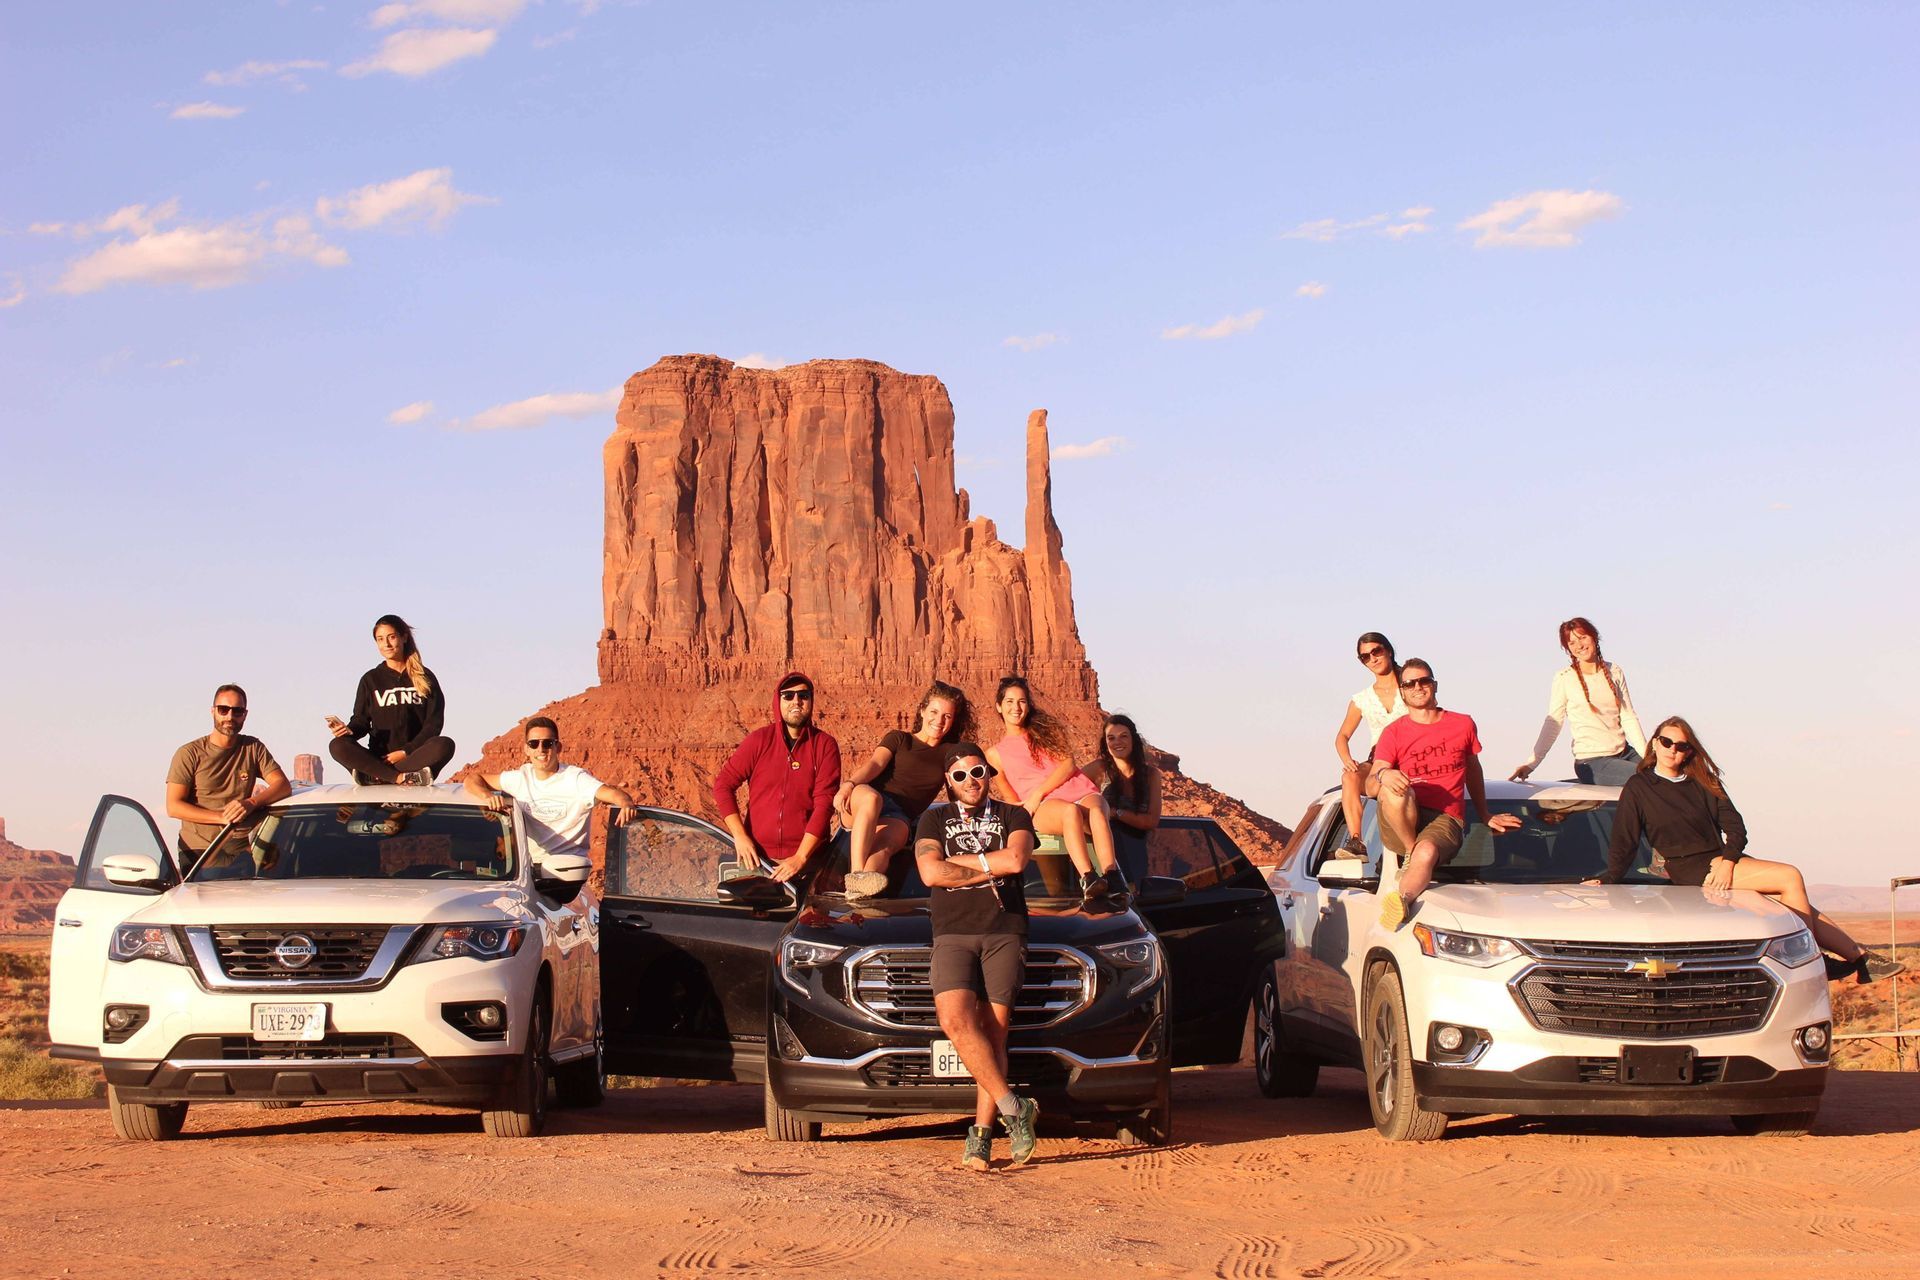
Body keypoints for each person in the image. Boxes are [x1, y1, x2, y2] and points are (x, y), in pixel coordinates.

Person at [1599, 717, 1902, 983]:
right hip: (1690, 868)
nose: (1673, 750)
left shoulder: (1703, 781)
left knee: (1794, 903)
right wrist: (1608, 880)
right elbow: (1624, 841)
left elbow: (1736, 828)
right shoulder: (1639, 787)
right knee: (1790, 877)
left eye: (1682, 745)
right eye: (1666, 742)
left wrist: (1728, 862)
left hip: (1723, 860)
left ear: (1690, 751)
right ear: (1654, 742)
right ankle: (1817, 962)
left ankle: (1861, 959)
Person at [913, 742, 1041, 1171]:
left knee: (994, 1032)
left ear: (988, 773)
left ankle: (981, 1138)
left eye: (978, 771)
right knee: (953, 1019)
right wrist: (991, 865)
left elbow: (1018, 859)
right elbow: (930, 872)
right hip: (952, 932)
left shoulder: (1014, 815)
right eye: (961, 775)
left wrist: (961, 864)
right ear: (948, 781)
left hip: (1004, 929)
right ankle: (1014, 1107)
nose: (972, 781)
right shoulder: (933, 818)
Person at [1371, 659, 1520, 930]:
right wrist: (1385, 774)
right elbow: (1378, 770)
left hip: (1446, 817)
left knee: (1426, 852)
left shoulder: (1462, 724)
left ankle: (1402, 901)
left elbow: (1473, 770)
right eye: (1410, 683)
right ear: (1402, 692)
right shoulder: (1393, 732)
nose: (1418, 687)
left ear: (1434, 685)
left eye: (1424, 681)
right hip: (1403, 815)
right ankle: (1408, 851)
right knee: (1393, 790)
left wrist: (1484, 813)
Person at [986, 676, 1117, 900]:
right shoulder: (994, 754)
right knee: (1070, 812)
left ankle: (1113, 877)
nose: (1016, 707)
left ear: (1028, 705)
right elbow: (1011, 796)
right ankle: (1088, 876)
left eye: (1022, 701)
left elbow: (1068, 764)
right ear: (999, 706)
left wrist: (1038, 791)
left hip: (1078, 790)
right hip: (1045, 807)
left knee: (1096, 811)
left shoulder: (1045, 732)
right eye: (1009, 702)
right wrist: (1028, 807)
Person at [836, 681, 969, 898]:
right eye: (934, 712)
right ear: (923, 710)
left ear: (953, 720)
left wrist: (966, 816)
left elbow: (956, 791)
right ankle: (857, 874)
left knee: (886, 848)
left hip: (898, 815)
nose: (939, 720)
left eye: (947, 716)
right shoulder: (899, 738)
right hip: (864, 800)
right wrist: (849, 785)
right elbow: (875, 764)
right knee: (872, 800)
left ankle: (858, 893)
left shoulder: (950, 752)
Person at [711, 672, 842, 885]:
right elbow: (723, 785)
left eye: (803, 695)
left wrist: (800, 857)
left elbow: (824, 804)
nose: (796, 701)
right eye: (788, 696)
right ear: (778, 701)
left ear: (811, 700)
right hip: (758, 862)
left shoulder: (825, 745)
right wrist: (740, 837)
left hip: (807, 865)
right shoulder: (759, 741)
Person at [465, 716, 637, 860]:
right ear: (526, 749)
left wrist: (626, 803)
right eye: (534, 744)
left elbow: (611, 793)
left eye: (547, 743)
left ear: (558, 747)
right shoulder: (519, 779)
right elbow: (472, 778)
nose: (541, 749)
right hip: (529, 874)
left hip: (568, 876)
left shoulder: (575, 779)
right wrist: (486, 796)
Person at [165, 684, 291, 870]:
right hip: (201, 851)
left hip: (240, 848)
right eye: (223, 710)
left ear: (245, 714)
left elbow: (282, 785)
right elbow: (173, 807)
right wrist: (222, 817)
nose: (230, 717)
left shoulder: (253, 748)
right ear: (213, 711)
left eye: (237, 711)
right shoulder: (189, 753)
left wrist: (251, 803)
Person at [1511, 616, 1647, 786]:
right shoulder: (1564, 678)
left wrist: (1649, 756)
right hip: (1592, 761)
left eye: (1583, 638)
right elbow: (1553, 723)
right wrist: (1532, 763)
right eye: (1572, 642)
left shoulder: (1615, 671)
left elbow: (1628, 717)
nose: (1579, 646)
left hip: (1624, 752)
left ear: (1594, 637)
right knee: (1646, 779)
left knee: (1666, 775)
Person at [327, 614, 455, 785]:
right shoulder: (370, 679)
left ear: (404, 637)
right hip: (379, 759)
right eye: (380, 639)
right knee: (337, 745)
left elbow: (434, 724)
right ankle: (398, 777)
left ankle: (377, 776)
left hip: (412, 758)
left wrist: (405, 752)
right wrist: (348, 731)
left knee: (444, 744)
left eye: (391, 637)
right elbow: (361, 721)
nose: (386, 644)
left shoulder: (426, 677)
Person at [1332, 632, 1407, 858]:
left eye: (1376, 651)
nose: (1372, 659)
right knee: (1349, 777)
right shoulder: (1361, 699)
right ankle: (1356, 842)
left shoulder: (1411, 686)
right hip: (1379, 761)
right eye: (1365, 657)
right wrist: (1347, 760)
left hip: (1413, 758)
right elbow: (1342, 736)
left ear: (1388, 650)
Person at [1084, 713, 1161, 879]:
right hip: (1101, 857)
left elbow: (1151, 821)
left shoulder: (1151, 775)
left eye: (1123, 736)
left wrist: (1115, 813)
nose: (1117, 742)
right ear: (1105, 743)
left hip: (1136, 858)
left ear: (1133, 739)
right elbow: (1068, 789)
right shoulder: (1099, 769)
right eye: (1111, 738)